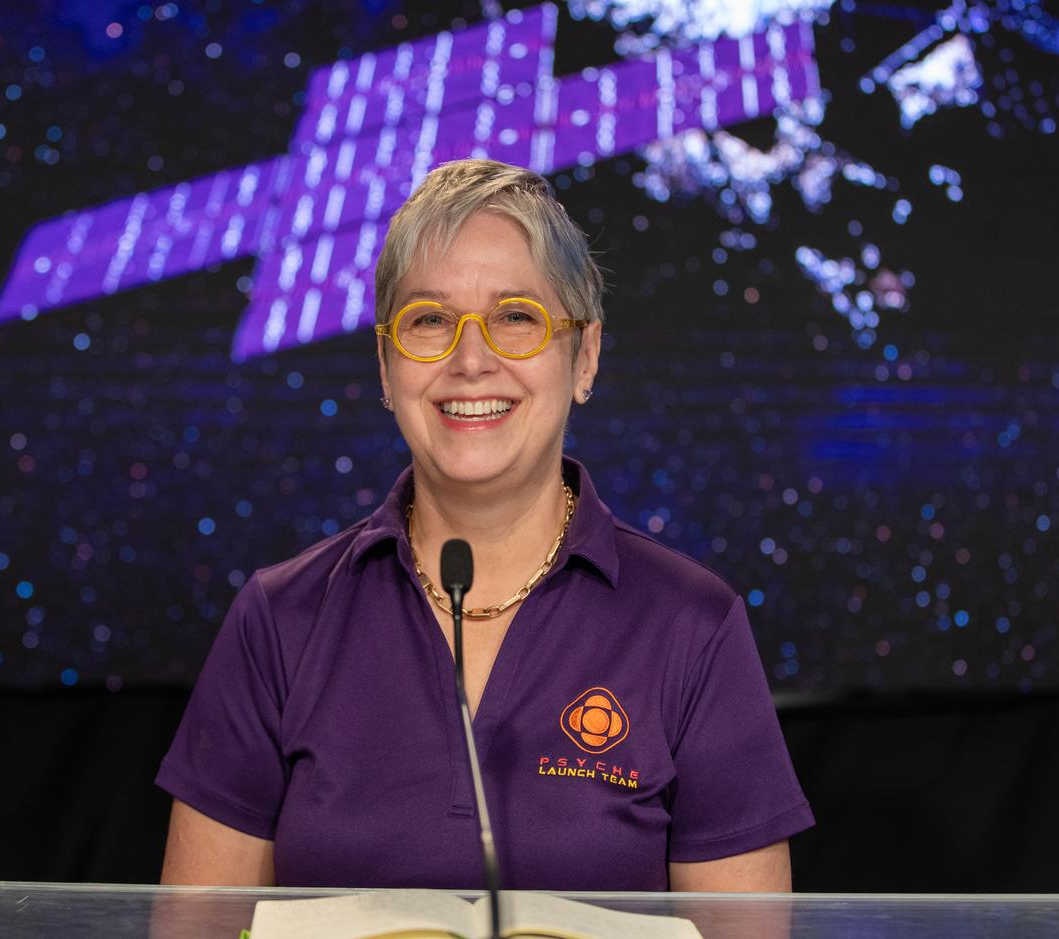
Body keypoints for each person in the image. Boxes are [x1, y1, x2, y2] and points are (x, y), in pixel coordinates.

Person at [157, 159, 813, 892]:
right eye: (429, 320)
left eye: (517, 317)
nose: (471, 360)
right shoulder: (279, 622)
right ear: (386, 365)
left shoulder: (693, 627)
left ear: (585, 357)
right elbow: (197, 928)